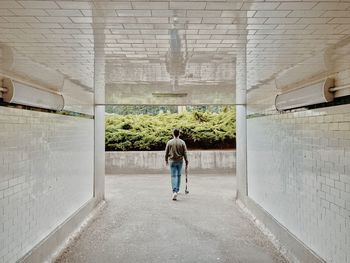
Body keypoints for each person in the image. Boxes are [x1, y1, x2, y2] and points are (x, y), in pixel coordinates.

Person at [165, 128, 189, 201]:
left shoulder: (169, 142)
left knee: (173, 176)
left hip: (172, 161)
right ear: (179, 134)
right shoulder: (182, 142)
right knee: (179, 175)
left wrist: (166, 160)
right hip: (180, 161)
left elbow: (166, 152)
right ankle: (177, 190)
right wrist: (186, 160)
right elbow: (185, 153)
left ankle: (174, 191)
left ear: (173, 134)